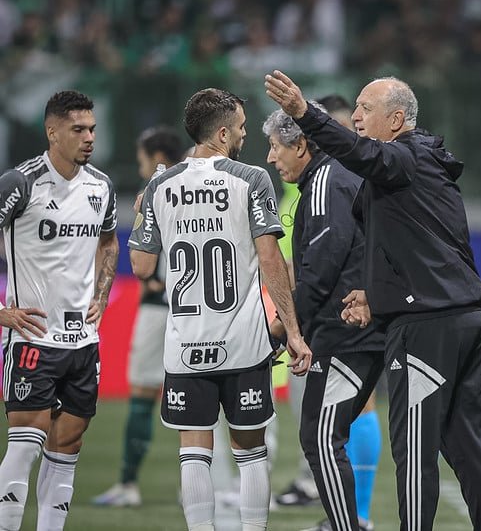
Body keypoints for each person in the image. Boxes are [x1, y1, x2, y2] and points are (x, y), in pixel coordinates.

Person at [266, 71, 481, 531]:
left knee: (413, 450)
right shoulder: (419, 166)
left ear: (396, 120)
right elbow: (422, 249)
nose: (355, 116)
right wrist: (376, 294)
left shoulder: (400, 157)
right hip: (464, 314)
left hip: (427, 325)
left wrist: (304, 112)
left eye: (365, 108)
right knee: (466, 445)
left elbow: (360, 155)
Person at [128, 87, 312, 531]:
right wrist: (293, 329)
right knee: (250, 453)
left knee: (194, 451)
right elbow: (270, 261)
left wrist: (143, 210)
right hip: (242, 343)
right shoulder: (251, 179)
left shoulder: (161, 184)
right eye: (244, 128)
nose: (247, 136)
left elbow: (141, 265)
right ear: (224, 132)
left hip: (186, 342)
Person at [0, 90, 119, 531]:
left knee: (68, 444)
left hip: (83, 343)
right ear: (52, 132)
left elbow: (108, 239)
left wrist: (102, 295)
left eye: (92, 128)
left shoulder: (101, 186)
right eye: (78, 129)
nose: (89, 137)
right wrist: (1, 312)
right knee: (25, 444)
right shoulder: (21, 182)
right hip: (32, 337)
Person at [264, 102, 384, 531]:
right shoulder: (333, 177)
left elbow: (321, 267)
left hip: (346, 336)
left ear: (301, 144)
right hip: (350, 332)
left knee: (320, 437)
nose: (270, 157)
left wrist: (283, 327)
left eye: (276, 147)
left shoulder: (327, 181)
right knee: (324, 435)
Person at [93, 125, 183, 507]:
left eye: (142, 157)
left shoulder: (159, 191)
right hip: (194, 313)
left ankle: (128, 485)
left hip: (159, 309)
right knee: (198, 401)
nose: (140, 164)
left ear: (157, 158)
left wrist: (157, 281)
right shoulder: (196, 186)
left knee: (144, 394)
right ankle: (198, 487)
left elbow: (145, 263)